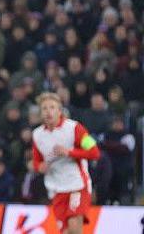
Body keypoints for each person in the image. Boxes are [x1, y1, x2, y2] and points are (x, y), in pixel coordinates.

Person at [32, 92, 100, 234]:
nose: (48, 112)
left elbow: (94, 152)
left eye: (52, 107)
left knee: (74, 226)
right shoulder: (37, 135)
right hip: (56, 188)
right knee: (65, 232)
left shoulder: (75, 128)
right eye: (44, 108)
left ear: (59, 110)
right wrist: (40, 167)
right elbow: (36, 162)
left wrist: (70, 152)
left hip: (77, 185)